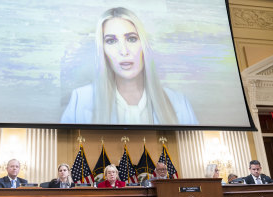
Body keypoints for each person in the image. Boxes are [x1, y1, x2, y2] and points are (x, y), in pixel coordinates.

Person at [61, 7, 198, 125]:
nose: (124, 51)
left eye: (132, 39)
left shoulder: (179, 103)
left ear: (144, 45)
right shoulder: (81, 100)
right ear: (102, 50)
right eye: (111, 41)